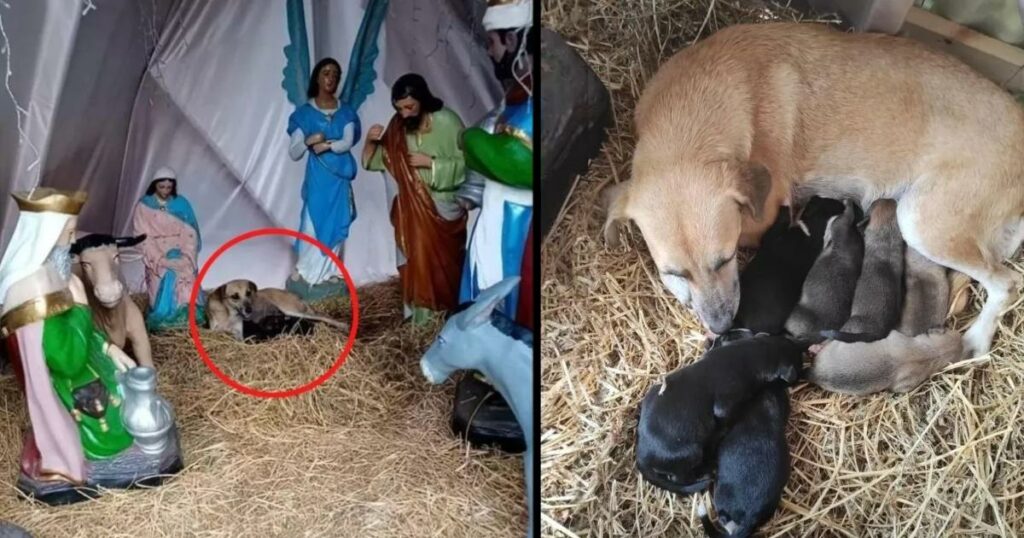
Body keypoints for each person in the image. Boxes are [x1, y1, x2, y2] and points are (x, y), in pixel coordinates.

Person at [0, 188, 137, 486]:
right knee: (117, 396)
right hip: (64, 377)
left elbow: (79, 337)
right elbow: (66, 360)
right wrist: (82, 307)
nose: (73, 242)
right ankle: (96, 454)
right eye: (69, 233)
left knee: (127, 377)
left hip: (81, 355)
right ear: (46, 236)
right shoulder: (33, 288)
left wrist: (108, 347)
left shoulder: (54, 273)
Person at [362, 73, 468, 324]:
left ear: (422, 99)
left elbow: (468, 165)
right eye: (399, 109)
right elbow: (378, 161)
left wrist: (431, 164)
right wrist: (369, 142)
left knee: (445, 269)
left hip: (442, 209)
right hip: (412, 213)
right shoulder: (398, 127)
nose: (405, 114)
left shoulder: (448, 122)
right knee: (416, 259)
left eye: (409, 107)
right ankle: (421, 321)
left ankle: (445, 317)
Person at [457, 0, 535, 330]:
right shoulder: (516, 94)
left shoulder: (534, 97)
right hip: (495, 212)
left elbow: (517, 162)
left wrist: (469, 139)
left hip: (517, 220)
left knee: (506, 293)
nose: (489, 52)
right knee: (485, 283)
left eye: (492, 42)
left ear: (513, 41)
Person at [286, 57, 362, 301]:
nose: (331, 78)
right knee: (312, 223)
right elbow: (294, 152)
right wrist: (309, 140)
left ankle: (328, 272)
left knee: (337, 223)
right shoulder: (305, 114)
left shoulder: (346, 111)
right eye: (326, 73)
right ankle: (308, 274)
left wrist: (326, 145)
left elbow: (347, 142)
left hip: (338, 179)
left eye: (336, 75)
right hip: (318, 180)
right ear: (317, 77)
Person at [132, 167, 205, 330]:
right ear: (154, 185)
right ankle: (165, 319)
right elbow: (143, 237)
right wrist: (161, 259)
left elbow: (190, 232)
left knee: (186, 274)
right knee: (168, 274)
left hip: (181, 251)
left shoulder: (182, 204)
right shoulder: (144, 206)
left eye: (169, 187)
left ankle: (187, 319)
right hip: (157, 253)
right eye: (161, 187)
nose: (165, 191)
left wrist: (186, 256)